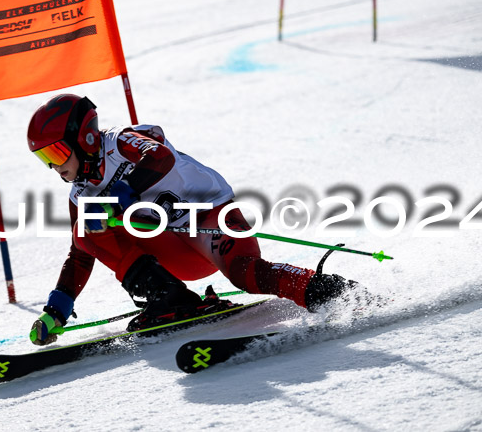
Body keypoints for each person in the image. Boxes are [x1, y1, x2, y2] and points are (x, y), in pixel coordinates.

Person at [27, 93, 362, 345]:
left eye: (56, 153)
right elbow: (81, 252)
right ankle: (168, 296)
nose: (54, 167)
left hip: (209, 217)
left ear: (83, 139)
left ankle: (333, 292)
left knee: (246, 274)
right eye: (45, 159)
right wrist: (56, 308)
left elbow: (160, 156)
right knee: (86, 225)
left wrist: (121, 197)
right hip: (172, 249)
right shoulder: (81, 194)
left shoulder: (119, 142)